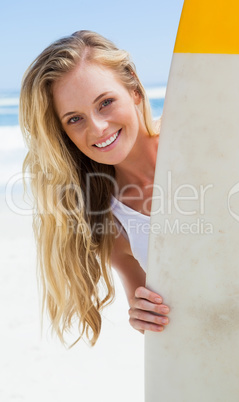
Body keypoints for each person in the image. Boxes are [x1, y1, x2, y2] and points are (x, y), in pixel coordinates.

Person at [19, 30, 169, 347]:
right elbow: (156, 315)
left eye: (105, 102)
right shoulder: (110, 219)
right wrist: (142, 316)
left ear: (133, 87)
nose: (98, 128)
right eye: (75, 119)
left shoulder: (195, 134)